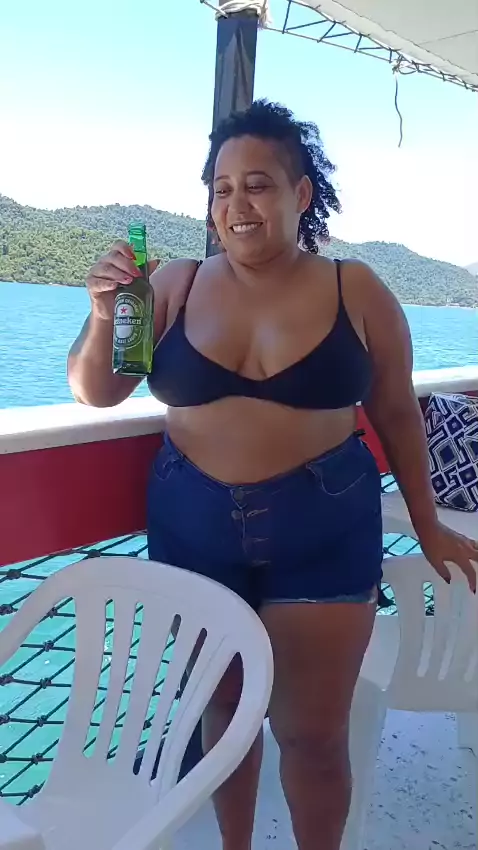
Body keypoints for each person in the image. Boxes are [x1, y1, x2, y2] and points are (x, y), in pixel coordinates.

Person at [68, 100, 477, 850]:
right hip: (193, 532)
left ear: (301, 194)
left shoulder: (358, 290)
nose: (237, 204)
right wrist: (103, 313)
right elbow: (99, 391)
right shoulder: (173, 286)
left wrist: (428, 526)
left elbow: (396, 414)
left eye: (258, 184)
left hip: (324, 532)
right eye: (221, 188)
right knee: (223, 718)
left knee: (313, 737)